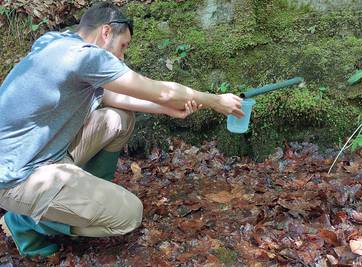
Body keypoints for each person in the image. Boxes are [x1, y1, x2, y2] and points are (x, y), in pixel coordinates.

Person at [0, 2, 244, 258]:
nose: (122, 56)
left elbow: (110, 97)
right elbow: (163, 90)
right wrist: (215, 101)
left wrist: (165, 109)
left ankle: (79, 199)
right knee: (129, 215)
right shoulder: (87, 57)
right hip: (16, 177)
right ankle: (24, 222)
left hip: (40, 156)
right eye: (123, 46)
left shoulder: (54, 42)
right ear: (106, 32)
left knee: (119, 120)